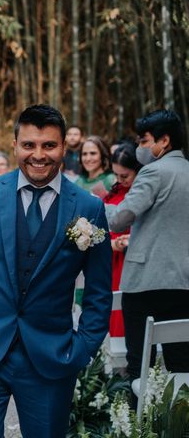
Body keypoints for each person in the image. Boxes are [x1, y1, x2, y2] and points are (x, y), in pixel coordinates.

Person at [0, 104, 112, 438]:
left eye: (48, 145)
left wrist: (83, 347)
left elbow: (100, 290)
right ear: (15, 145)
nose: (38, 155)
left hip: (51, 357)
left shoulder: (89, 208)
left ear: (63, 147)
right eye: (29, 145)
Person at [106, 109, 189, 382]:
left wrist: (94, 206)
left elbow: (120, 219)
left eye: (144, 141)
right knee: (182, 365)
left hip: (146, 283)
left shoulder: (153, 172)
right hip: (184, 282)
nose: (140, 148)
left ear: (163, 141)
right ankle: (178, 422)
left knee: (140, 366)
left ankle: (138, 423)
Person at [103, 141, 141, 338]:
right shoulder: (114, 191)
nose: (120, 180)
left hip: (131, 260)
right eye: (116, 175)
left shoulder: (142, 194)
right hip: (112, 258)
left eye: (124, 176)